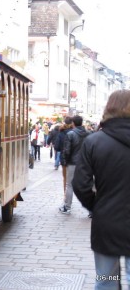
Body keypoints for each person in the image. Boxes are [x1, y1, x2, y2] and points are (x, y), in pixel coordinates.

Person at [72, 90, 130, 289]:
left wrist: (96, 206)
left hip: (107, 221)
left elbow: (80, 184)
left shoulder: (94, 141)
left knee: (108, 279)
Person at [59, 115, 89, 214]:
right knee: (88, 185)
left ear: (73, 123)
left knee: (69, 185)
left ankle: (67, 207)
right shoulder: (89, 133)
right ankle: (91, 210)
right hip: (85, 163)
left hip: (72, 163)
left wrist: (64, 162)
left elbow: (67, 150)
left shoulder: (71, 134)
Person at [55, 117, 73, 194]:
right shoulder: (74, 132)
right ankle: (70, 196)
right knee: (71, 178)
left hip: (64, 157)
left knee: (65, 178)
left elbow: (57, 147)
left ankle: (65, 195)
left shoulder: (61, 132)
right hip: (73, 158)